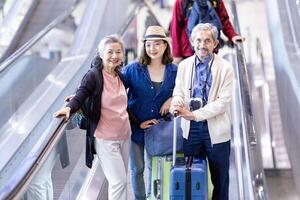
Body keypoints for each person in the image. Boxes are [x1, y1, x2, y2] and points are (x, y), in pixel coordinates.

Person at [53, 35, 131, 200]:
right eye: (110, 52)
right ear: (101, 54)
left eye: (118, 52)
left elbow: (124, 106)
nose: (114, 56)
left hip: (125, 135)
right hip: (105, 138)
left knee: (121, 181)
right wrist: (69, 108)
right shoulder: (94, 75)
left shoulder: (120, 76)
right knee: (118, 182)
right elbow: (82, 93)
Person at [170, 23, 234, 200]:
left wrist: (194, 115)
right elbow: (179, 92)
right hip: (191, 131)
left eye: (207, 40)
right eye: (198, 40)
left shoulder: (226, 68)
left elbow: (223, 102)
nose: (202, 45)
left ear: (215, 43)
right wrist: (176, 103)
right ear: (192, 41)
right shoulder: (184, 66)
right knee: (193, 177)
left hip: (216, 131)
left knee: (220, 181)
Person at [121, 25, 177, 200]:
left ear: (165, 45)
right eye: (148, 44)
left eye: (157, 44)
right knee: (137, 168)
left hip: (160, 129)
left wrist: (173, 98)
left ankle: (154, 197)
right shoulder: (133, 70)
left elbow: (185, 91)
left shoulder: (174, 71)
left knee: (156, 166)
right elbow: (114, 91)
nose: (152, 48)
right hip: (136, 128)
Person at [170, 0, 244, 64]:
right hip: (189, 53)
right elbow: (175, 27)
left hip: (210, 50)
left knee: (211, 78)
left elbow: (224, 20)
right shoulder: (181, 2)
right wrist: (176, 54)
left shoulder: (216, 1)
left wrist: (233, 35)